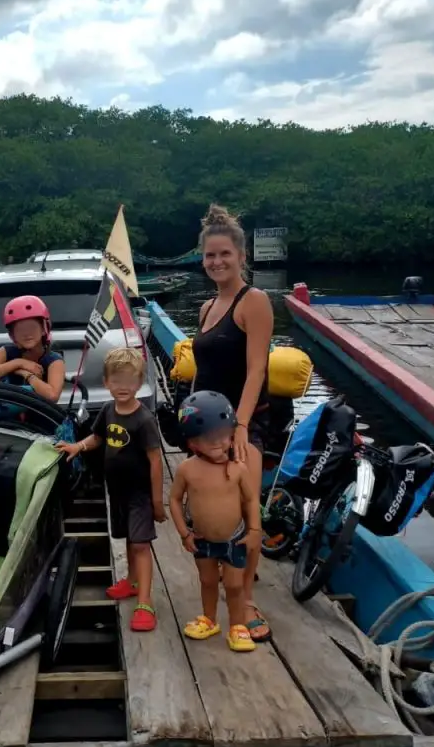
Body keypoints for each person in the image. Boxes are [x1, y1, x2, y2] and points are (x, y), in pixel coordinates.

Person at [191, 203, 274, 643]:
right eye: (210, 256)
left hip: (245, 422)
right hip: (204, 429)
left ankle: (245, 599)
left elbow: (256, 370)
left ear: (242, 256)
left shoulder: (253, 301)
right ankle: (218, 585)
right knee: (210, 510)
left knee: (245, 510)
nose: (217, 262)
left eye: (225, 254)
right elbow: (203, 371)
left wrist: (239, 428)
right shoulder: (207, 307)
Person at [56, 348, 165, 632]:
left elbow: (155, 460)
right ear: (106, 382)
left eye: (130, 381)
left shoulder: (144, 420)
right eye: (116, 381)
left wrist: (157, 501)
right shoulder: (107, 410)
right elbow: (97, 437)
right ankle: (131, 581)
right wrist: (77, 447)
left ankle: (145, 602)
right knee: (129, 538)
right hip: (116, 490)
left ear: (140, 382)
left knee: (141, 543)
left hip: (140, 493)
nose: (123, 387)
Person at [169, 390, 262, 653]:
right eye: (210, 440)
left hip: (234, 538)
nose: (220, 443)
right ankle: (209, 619)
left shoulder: (238, 469)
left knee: (234, 585)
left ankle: (237, 626)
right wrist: (184, 533)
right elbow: (175, 500)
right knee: (207, 581)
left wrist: (255, 529)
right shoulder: (187, 469)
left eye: (224, 436)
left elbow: (252, 500)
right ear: (193, 443)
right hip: (202, 540)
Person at [0, 295, 65, 404]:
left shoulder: (54, 360)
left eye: (32, 327)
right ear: (13, 335)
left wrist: (28, 375)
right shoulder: (7, 351)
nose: (27, 334)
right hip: (7, 414)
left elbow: (52, 396)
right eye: (20, 330)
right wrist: (18, 363)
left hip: (39, 416)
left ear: (44, 329)